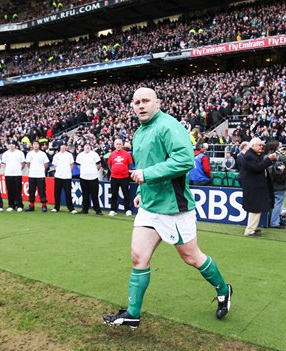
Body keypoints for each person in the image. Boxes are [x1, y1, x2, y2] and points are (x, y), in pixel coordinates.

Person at [103, 87, 232, 328]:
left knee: (192, 257)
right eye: (136, 102)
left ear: (158, 103)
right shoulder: (139, 133)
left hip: (174, 207)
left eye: (145, 101)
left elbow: (184, 161)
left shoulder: (169, 126)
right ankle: (132, 314)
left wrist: (146, 176)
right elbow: (144, 165)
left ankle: (224, 290)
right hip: (150, 207)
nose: (141, 105)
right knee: (138, 257)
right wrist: (142, 191)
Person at [241, 138, 277, 236]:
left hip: (257, 186)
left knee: (257, 208)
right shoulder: (249, 156)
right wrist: (269, 159)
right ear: (253, 146)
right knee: (255, 208)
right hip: (253, 186)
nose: (262, 147)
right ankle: (249, 230)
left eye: (262, 145)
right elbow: (257, 168)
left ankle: (253, 228)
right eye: (259, 145)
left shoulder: (254, 154)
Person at [266, 142, 286, 229]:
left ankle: (271, 220)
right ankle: (274, 222)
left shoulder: (266, 156)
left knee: (272, 203)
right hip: (278, 184)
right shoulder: (277, 157)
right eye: (280, 147)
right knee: (278, 203)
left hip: (270, 183)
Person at [108, 138, 134, 216]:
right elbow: (109, 165)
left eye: (120, 144)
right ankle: (113, 210)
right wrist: (113, 170)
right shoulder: (112, 154)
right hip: (114, 177)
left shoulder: (127, 154)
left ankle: (128, 210)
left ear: (122, 145)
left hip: (124, 177)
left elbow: (130, 164)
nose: (118, 145)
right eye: (117, 144)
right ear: (114, 145)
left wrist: (126, 171)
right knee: (114, 194)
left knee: (126, 194)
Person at [76, 143, 102, 215]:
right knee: (85, 194)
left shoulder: (94, 154)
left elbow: (99, 164)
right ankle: (85, 209)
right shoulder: (80, 155)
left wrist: (93, 171)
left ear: (90, 147)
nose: (87, 147)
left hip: (93, 178)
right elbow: (78, 165)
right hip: (83, 178)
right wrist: (84, 171)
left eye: (88, 146)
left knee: (94, 195)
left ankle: (98, 210)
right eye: (86, 146)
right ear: (83, 147)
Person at [51, 143, 77, 214]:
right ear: (60, 147)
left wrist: (68, 172)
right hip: (58, 176)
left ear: (66, 147)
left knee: (68, 193)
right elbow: (54, 165)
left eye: (64, 147)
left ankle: (71, 208)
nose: (63, 148)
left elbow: (72, 165)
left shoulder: (69, 155)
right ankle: (56, 207)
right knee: (57, 192)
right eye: (62, 146)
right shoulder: (56, 155)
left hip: (67, 177)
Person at [25, 141, 49, 212]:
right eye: (34, 144)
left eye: (37, 144)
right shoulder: (29, 154)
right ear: (32, 145)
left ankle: (44, 206)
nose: (35, 145)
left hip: (40, 175)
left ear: (39, 145)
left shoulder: (43, 154)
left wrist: (41, 170)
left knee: (42, 191)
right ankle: (31, 205)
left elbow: (46, 164)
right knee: (31, 191)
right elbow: (28, 164)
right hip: (32, 175)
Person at [1, 141, 25, 212]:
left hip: (17, 174)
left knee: (18, 190)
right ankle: (11, 205)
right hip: (8, 174)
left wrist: (18, 170)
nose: (11, 146)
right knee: (10, 190)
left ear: (15, 145)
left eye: (13, 144)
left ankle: (19, 205)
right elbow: (4, 164)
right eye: (10, 144)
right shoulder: (5, 154)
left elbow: (23, 163)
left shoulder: (20, 153)